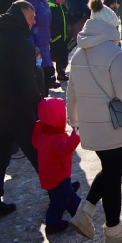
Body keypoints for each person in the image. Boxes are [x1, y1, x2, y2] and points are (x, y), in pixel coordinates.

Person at [67, 0, 122, 243]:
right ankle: (113, 232)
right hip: (113, 127)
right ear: (110, 28)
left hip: (91, 127)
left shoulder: (77, 54)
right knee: (113, 176)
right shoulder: (114, 53)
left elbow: (71, 94)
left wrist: (75, 122)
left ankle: (85, 213)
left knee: (110, 170)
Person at [0, 1, 41, 219]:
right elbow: (25, 83)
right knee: (38, 154)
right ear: (22, 16)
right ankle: (63, 193)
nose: (34, 21)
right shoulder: (22, 45)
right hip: (19, 113)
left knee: (0, 157)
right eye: (31, 17)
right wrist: (39, 106)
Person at [31, 97, 81, 234]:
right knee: (60, 201)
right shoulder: (56, 137)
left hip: (48, 177)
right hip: (58, 177)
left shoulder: (41, 132)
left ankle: (79, 214)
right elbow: (64, 150)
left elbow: (36, 144)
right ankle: (53, 224)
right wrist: (76, 136)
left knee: (66, 196)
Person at [20, 0, 57, 94]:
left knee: (45, 80)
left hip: (43, 44)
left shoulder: (43, 1)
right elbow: (27, 25)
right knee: (39, 81)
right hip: (36, 46)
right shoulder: (31, 0)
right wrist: (32, 47)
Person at [48, 0, 71, 81]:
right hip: (54, 38)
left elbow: (68, 18)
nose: (62, 0)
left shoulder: (63, 8)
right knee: (53, 56)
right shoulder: (51, 8)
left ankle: (61, 73)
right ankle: (51, 75)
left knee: (63, 57)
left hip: (63, 38)